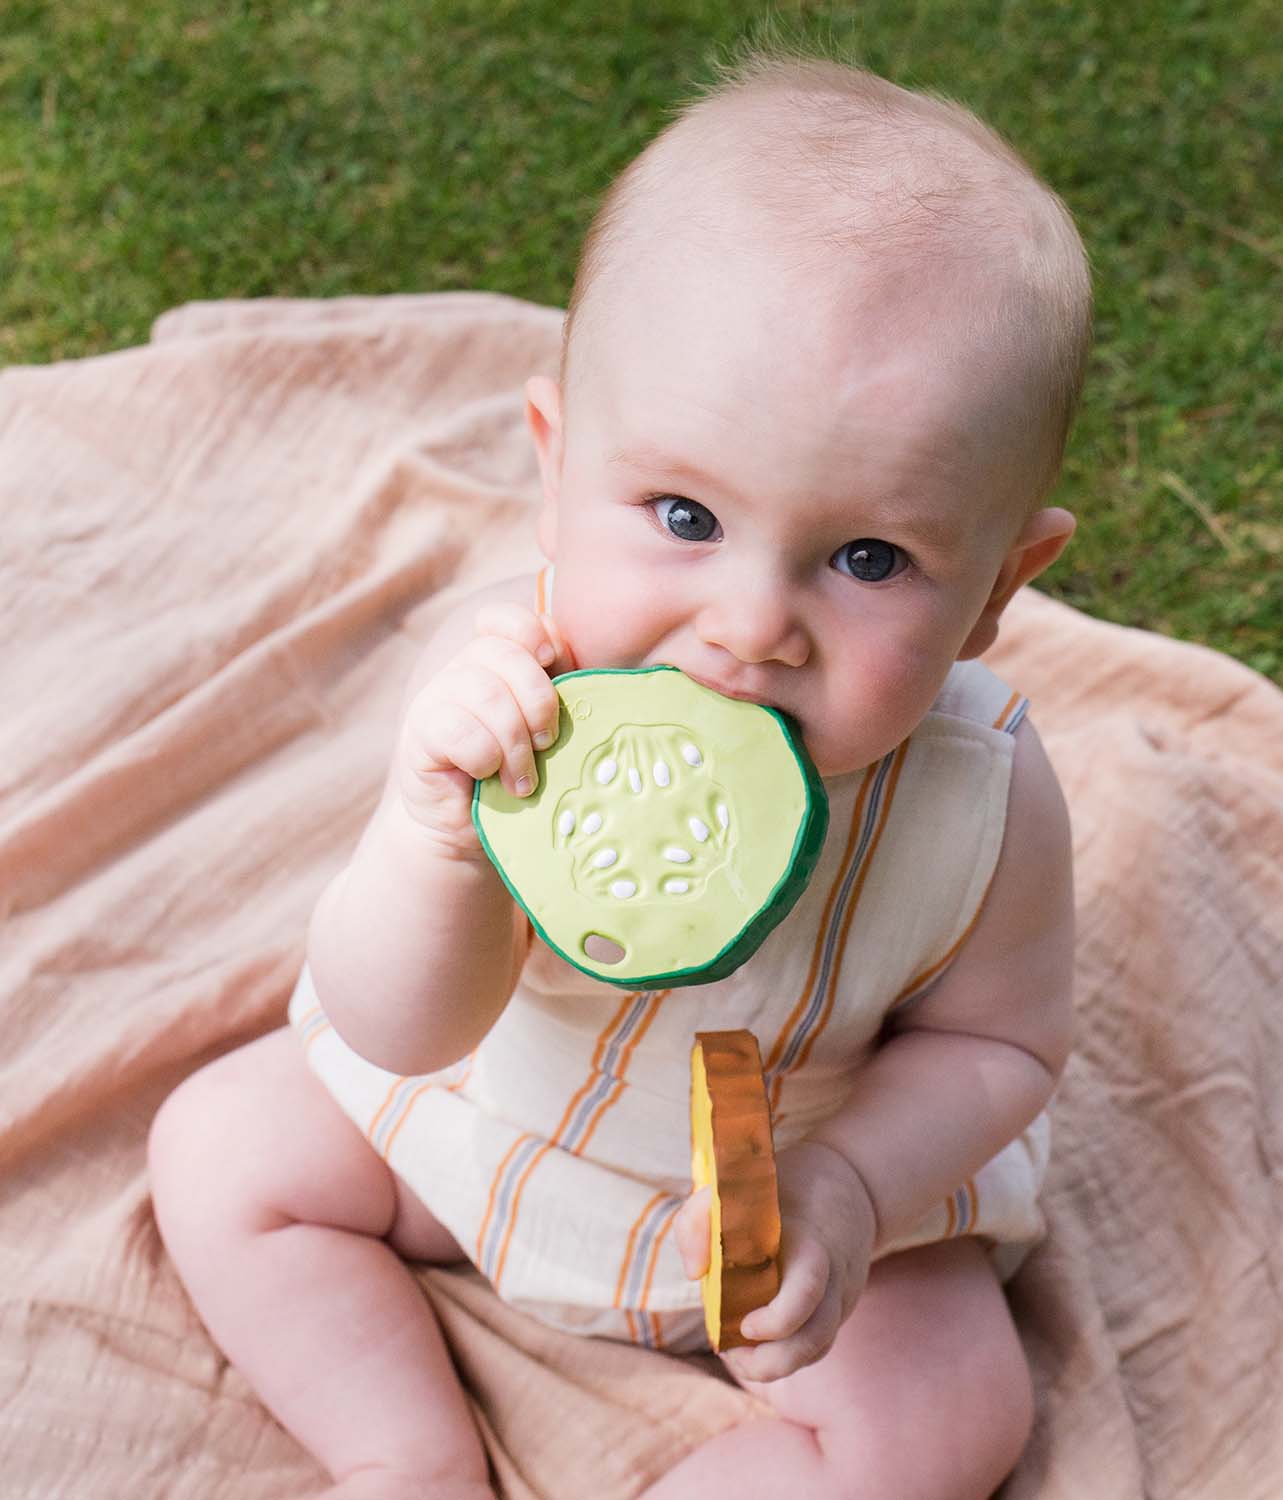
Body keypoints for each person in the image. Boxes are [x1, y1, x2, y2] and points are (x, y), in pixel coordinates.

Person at [149, 46, 1090, 1500]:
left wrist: (853, 1190)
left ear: (996, 590)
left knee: (958, 1417)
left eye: (868, 559)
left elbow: (1001, 1049)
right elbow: (396, 1029)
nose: (751, 625)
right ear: (553, 464)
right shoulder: (516, 703)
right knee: (220, 1152)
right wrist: (433, 840)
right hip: (483, 1131)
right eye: (682, 514)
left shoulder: (981, 796)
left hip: (806, 1217)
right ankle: (402, 1452)